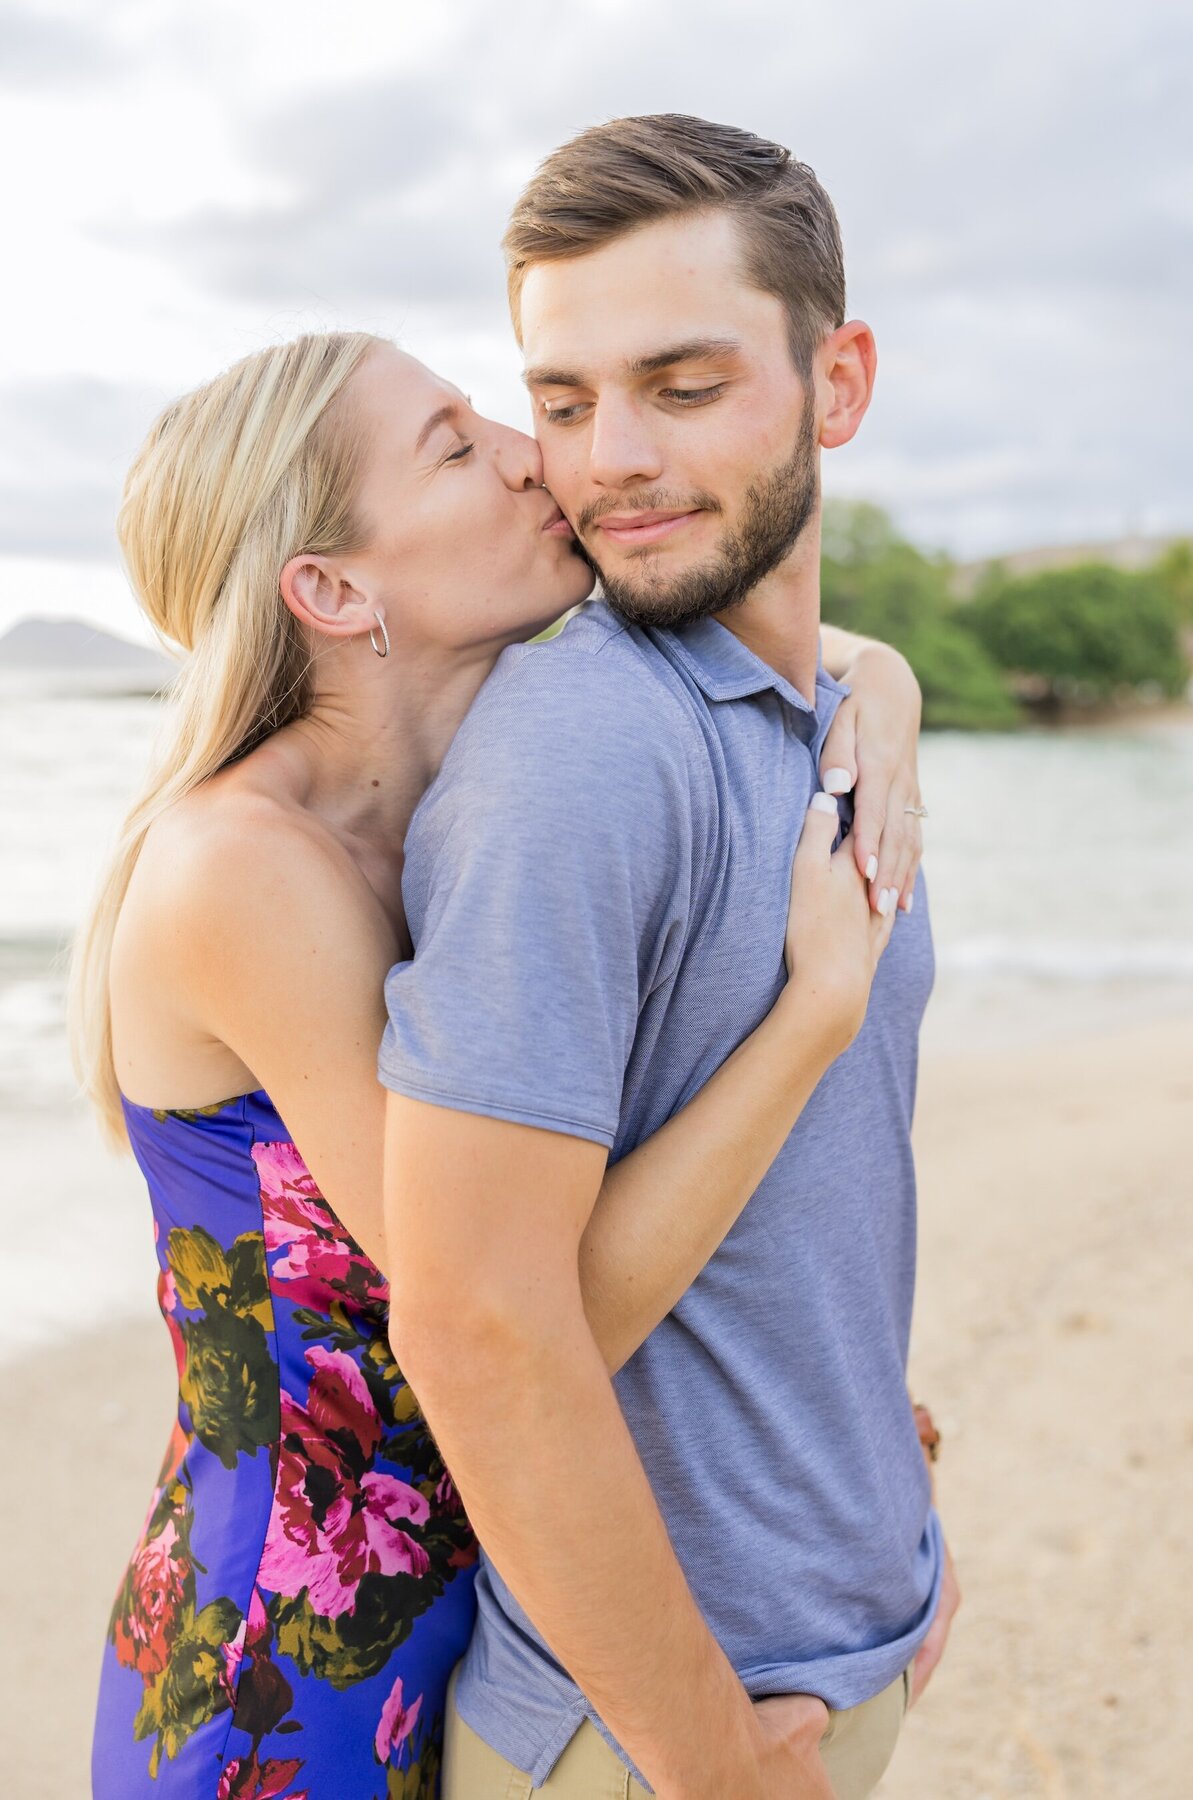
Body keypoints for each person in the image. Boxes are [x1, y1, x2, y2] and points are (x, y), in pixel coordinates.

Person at [74, 327, 925, 1798]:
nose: (538, 457)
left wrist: (884, 680)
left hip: (499, 1606)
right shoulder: (243, 869)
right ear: (335, 592)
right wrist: (812, 1016)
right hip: (288, 1673)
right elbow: (535, 1318)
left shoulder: (467, 796)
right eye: (459, 447)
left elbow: (765, 633)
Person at [379, 115, 959, 1800]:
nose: (611, 460)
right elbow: (479, 1330)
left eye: (683, 388)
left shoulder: (822, 712)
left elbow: (815, 1202)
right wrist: (712, 1760)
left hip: (835, 1652)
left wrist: (885, 1518)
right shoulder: (583, 751)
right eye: (561, 404)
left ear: (839, 384)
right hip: (651, 1735)